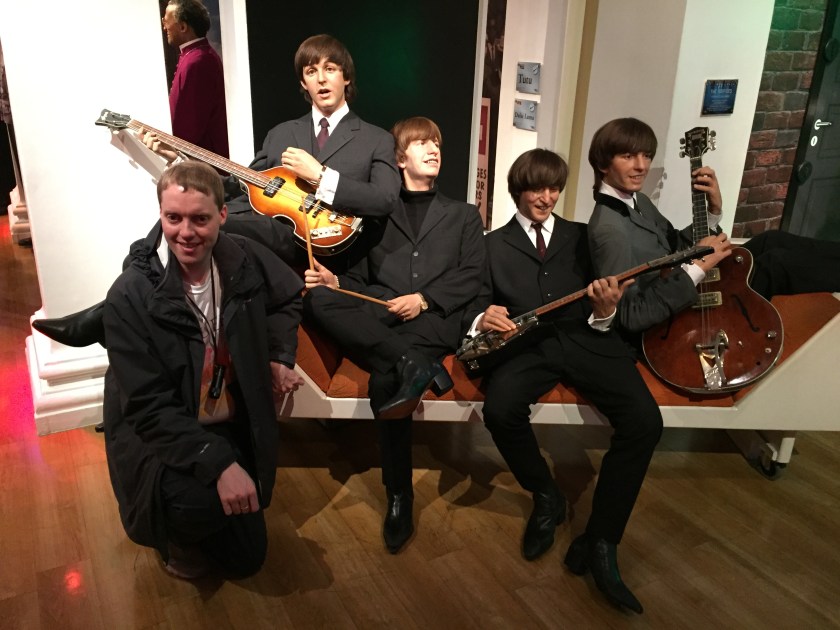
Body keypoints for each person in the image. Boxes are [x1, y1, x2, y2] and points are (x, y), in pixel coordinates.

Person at [33, 34, 400, 346]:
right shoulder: (282, 133)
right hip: (265, 230)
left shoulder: (375, 139)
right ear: (302, 83)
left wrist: (321, 176)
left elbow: (384, 199)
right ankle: (117, 307)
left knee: (202, 224)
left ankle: (106, 315)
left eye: (330, 69)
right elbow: (239, 186)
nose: (321, 79)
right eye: (310, 71)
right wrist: (179, 159)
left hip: (315, 243)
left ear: (345, 77)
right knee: (181, 220)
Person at [463, 148, 661, 613]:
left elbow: (606, 302)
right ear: (518, 189)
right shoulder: (492, 244)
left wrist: (606, 310)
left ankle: (601, 539)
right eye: (536, 188)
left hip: (588, 338)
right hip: (528, 346)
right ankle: (546, 494)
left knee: (645, 423)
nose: (546, 197)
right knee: (499, 409)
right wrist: (482, 316)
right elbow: (477, 301)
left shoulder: (581, 235)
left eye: (554, 188)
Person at [102, 161, 303, 579]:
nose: (186, 232)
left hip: (225, 417)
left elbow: (287, 297)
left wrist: (279, 355)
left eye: (200, 219)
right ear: (160, 214)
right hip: (160, 436)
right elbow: (148, 409)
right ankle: (177, 535)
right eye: (173, 218)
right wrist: (219, 464)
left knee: (249, 560)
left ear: (223, 216)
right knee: (202, 504)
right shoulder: (130, 294)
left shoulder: (241, 258)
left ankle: (211, 515)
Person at [303, 117, 485, 554]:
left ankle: (399, 494)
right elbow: (361, 281)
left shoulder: (464, 215)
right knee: (317, 298)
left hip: (432, 320)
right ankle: (411, 364)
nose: (434, 148)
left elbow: (473, 276)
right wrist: (337, 284)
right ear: (399, 158)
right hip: (383, 319)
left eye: (437, 142)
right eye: (422, 142)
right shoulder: (375, 215)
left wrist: (423, 298)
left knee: (387, 377)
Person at [587, 117, 840, 338]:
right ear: (603, 164)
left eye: (646, 155)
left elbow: (674, 243)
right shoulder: (609, 230)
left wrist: (712, 211)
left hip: (677, 280)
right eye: (628, 156)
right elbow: (630, 316)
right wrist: (696, 269)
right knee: (776, 264)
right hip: (673, 312)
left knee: (770, 240)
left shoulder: (637, 199)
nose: (642, 166)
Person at [162, 0, 229, 157]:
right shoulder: (196, 56)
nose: (164, 27)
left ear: (183, 27)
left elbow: (188, 127)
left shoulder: (197, 61)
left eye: (166, 21)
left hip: (202, 162)